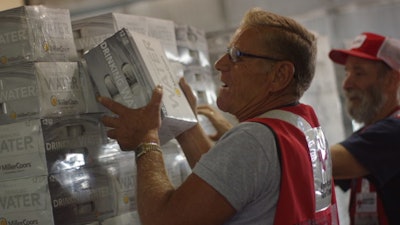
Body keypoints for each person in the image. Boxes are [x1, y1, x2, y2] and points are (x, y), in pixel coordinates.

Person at [98, 7, 339, 225]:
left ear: (279, 75)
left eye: (237, 56)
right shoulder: (304, 128)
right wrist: (186, 124)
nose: (220, 64)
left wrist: (145, 140)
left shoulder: (254, 139)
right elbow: (232, 183)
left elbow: (165, 220)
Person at [328, 32, 400, 225]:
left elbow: (326, 164)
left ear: (392, 80)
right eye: (347, 73)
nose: (346, 84)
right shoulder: (369, 134)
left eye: (359, 73)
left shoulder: (394, 132)